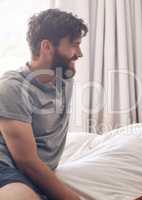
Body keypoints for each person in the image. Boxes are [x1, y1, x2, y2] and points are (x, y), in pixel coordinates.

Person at [0, 9, 88, 200]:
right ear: (46, 47)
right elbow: (27, 162)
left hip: (34, 173)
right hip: (6, 169)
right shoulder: (12, 88)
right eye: (74, 45)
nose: (79, 54)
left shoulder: (64, 78)